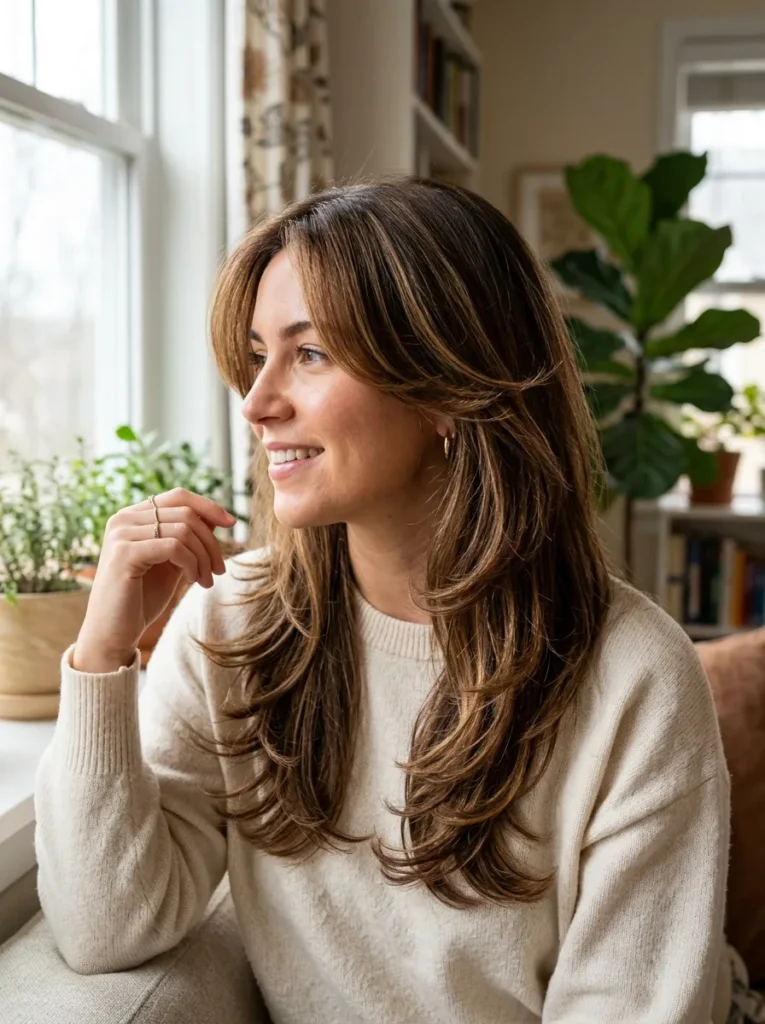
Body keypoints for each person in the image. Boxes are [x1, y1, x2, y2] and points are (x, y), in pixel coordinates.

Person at [35, 177, 741, 1022]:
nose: (257, 403)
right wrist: (103, 651)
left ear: (447, 385)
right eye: (258, 354)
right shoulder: (231, 623)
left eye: (309, 353)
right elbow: (105, 929)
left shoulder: (634, 676)